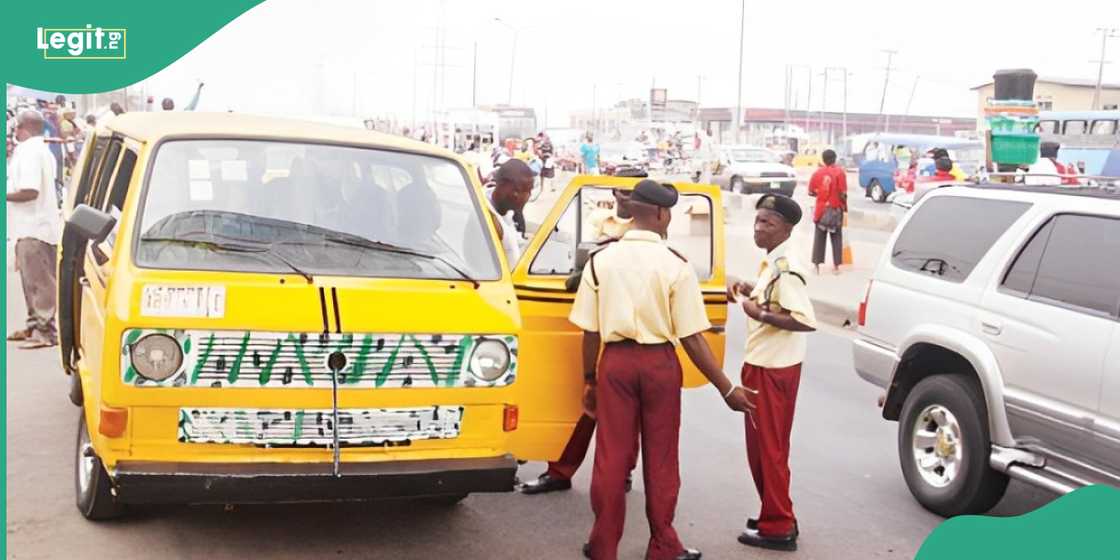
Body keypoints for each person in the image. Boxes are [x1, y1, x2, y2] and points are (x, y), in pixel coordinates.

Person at [571, 180, 753, 560]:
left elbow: (590, 331)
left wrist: (590, 378)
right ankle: (663, 545)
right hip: (659, 366)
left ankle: (603, 544)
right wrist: (726, 388)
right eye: (669, 211)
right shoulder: (675, 265)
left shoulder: (601, 261)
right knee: (662, 458)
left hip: (615, 364)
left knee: (610, 457)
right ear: (658, 214)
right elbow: (692, 338)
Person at [523, 188, 638, 495]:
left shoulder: (648, 231)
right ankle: (559, 470)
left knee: (627, 414)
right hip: (595, 320)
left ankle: (622, 472)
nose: (628, 198)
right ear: (614, 192)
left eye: (634, 193)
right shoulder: (600, 221)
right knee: (580, 407)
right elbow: (578, 273)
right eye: (624, 191)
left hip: (628, 330)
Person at [727, 194, 817, 553]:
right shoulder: (773, 262)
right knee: (764, 448)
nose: (758, 228)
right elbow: (775, 298)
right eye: (758, 221)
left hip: (772, 369)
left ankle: (777, 526)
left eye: (768, 223)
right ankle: (776, 512)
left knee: (769, 449)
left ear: (787, 229)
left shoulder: (786, 267)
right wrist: (753, 291)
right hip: (765, 363)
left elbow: (803, 320)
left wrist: (758, 313)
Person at [6, 109, 63, 349]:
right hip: (29, 227)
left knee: (40, 282)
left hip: (34, 227)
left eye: (15, 128)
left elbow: (30, 191)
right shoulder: (40, 150)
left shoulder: (30, 151)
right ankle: (34, 325)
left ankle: (46, 331)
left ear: (23, 127)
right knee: (30, 280)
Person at [485, 159, 534, 266]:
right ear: (513, 192)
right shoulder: (486, 219)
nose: (529, 196)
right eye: (528, 191)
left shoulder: (508, 212)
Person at [809, 149, 847, 275]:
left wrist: (820, 195)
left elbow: (811, 192)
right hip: (836, 209)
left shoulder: (817, 173)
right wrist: (844, 205)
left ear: (823, 159)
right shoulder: (840, 173)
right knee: (836, 237)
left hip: (821, 210)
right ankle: (836, 267)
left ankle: (816, 266)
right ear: (835, 159)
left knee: (819, 237)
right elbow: (843, 193)